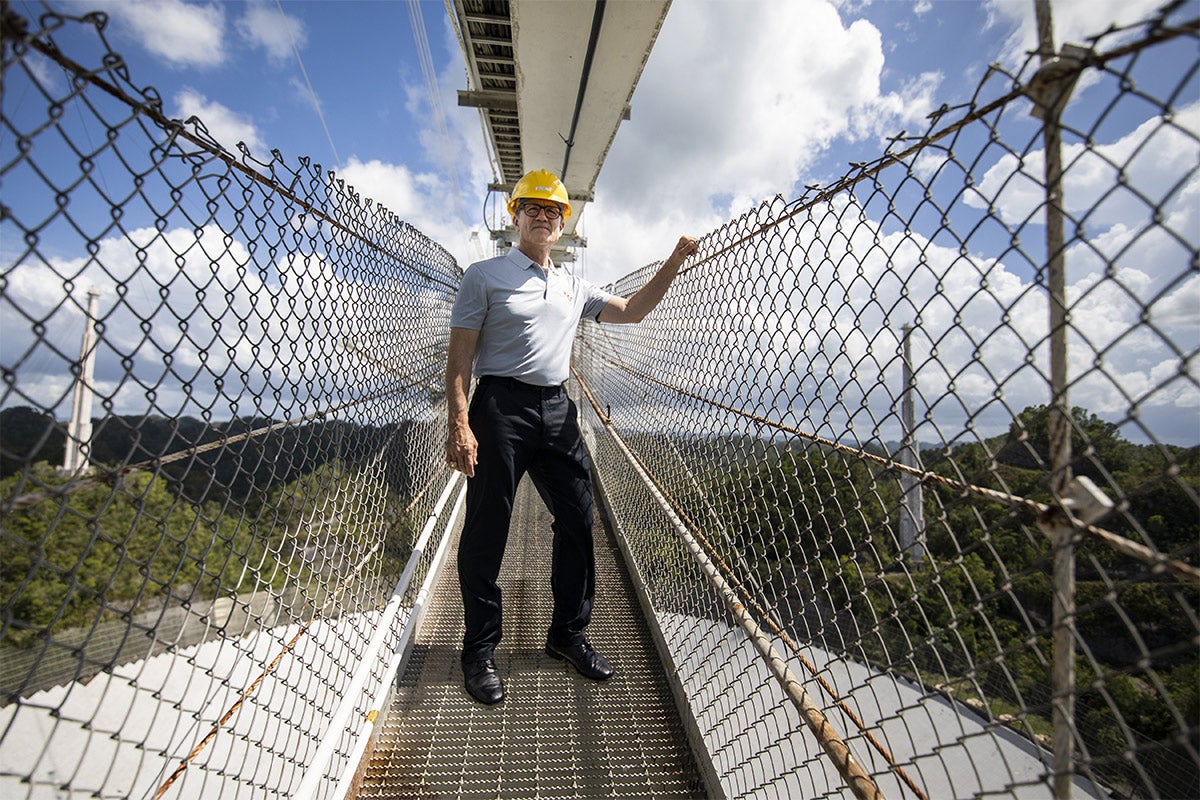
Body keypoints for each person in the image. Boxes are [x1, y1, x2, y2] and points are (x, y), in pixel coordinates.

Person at [445, 168, 699, 705]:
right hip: (500, 407)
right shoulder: (484, 276)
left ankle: (566, 635)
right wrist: (460, 422)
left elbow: (631, 312)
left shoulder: (572, 285)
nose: (544, 216)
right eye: (533, 208)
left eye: (554, 211)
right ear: (514, 217)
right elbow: (462, 354)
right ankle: (480, 649)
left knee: (580, 518)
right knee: (489, 526)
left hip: (558, 407)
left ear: (563, 226)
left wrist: (673, 266)